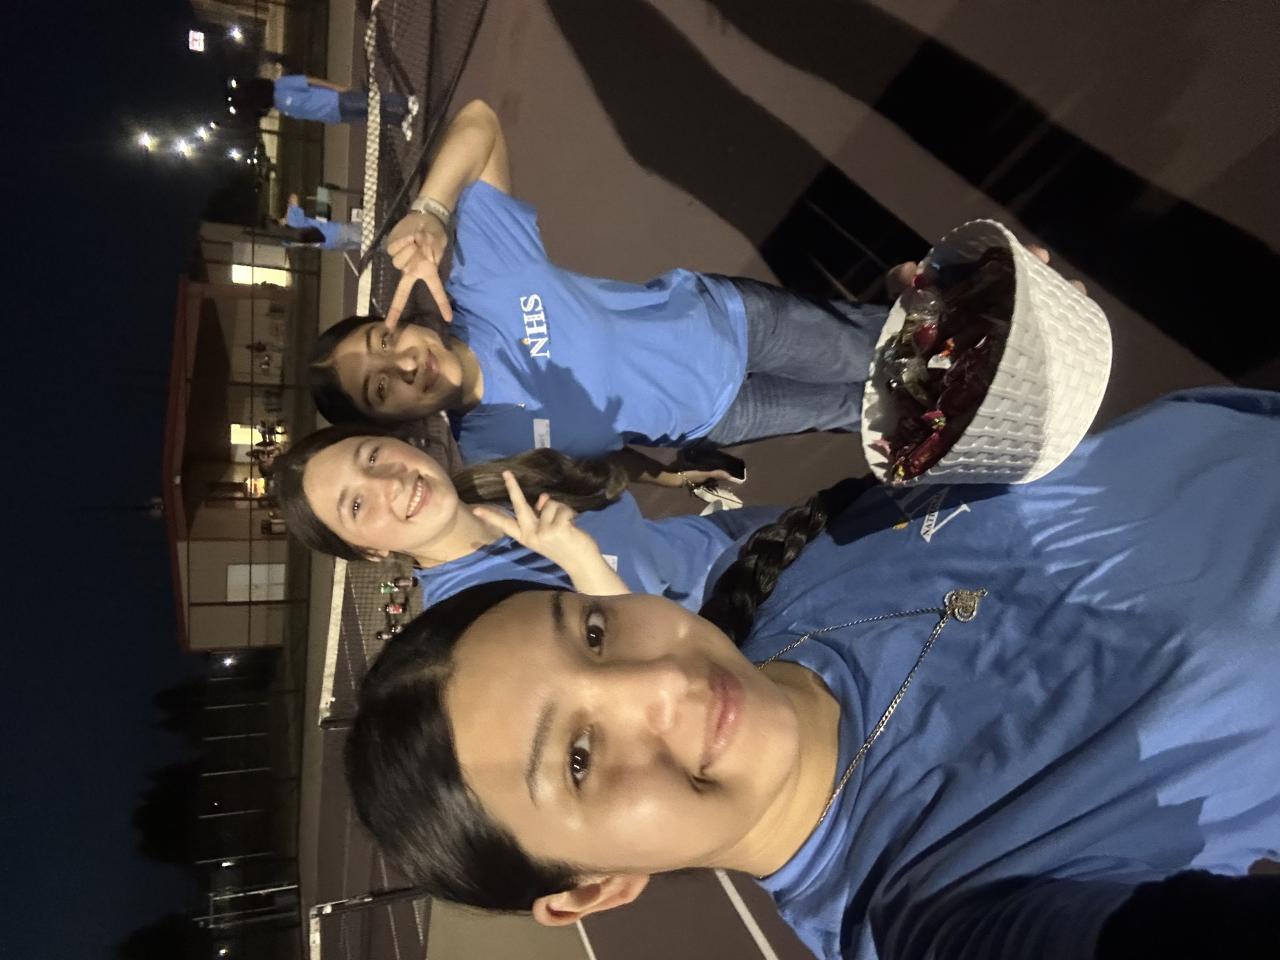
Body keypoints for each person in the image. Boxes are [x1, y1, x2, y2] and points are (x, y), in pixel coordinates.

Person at [342, 387, 1280, 960]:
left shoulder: (773, 579)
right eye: (579, 759)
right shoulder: (939, 910)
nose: (657, 686)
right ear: (592, 890)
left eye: (592, 632)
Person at [306, 99, 889, 481]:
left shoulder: (483, 280)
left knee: (886, 348)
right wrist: (664, 475)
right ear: (395, 422)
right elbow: (592, 456)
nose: (406, 365)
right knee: (868, 413)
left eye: (384, 341)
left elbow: (481, 122)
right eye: (380, 387)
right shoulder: (492, 454)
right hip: (719, 417)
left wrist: (431, 209)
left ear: (399, 321)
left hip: (733, 324)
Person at [270, 424, 778, 610]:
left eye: (372, 456)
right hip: (750, 620)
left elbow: (599, 476)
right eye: (356, 506)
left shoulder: (498, 478)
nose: (388, 484)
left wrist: (677, 477)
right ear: (369, 551)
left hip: (724, 537)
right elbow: (635, 671)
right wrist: (583, 566)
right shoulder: (471, 621)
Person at [228, 64, 419, 136]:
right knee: (370, 116)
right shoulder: (280, 108)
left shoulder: (281, 85)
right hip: (333, 115)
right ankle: (400, 121)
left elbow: (310, 81)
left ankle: (405, 102)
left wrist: (337, 87)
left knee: (371, 103)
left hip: (334, 100)